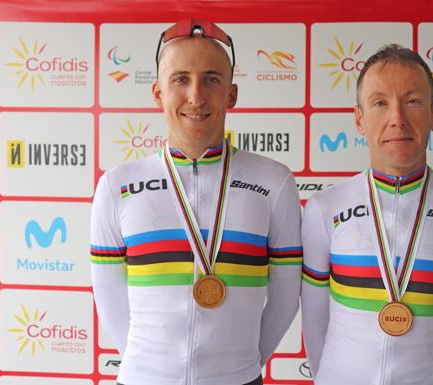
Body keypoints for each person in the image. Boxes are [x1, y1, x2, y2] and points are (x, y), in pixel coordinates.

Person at [90, 19, 302, 385]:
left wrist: (242, 367)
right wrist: (152, 366)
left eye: (211, 79)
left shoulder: (274, 181)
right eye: (180, 79)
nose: (196, 96)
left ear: (231, 94)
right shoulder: (117, 185)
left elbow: (286, 296)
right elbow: (108, 296)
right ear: (158, 92)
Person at [301, 44, 433, 385]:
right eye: (380, 103)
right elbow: (315, 321)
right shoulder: (324, 207)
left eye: (412, 101)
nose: (397, 118)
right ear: (359, 120)